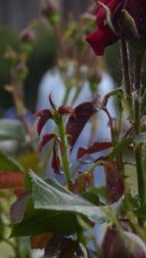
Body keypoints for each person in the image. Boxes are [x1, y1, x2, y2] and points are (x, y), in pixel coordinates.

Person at [35, 45, 116, 185]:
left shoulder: (103, 81)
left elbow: (108, 126)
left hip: (91, 154)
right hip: (61, 151)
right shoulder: (54, 78)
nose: (88, 50)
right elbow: (42, 117)